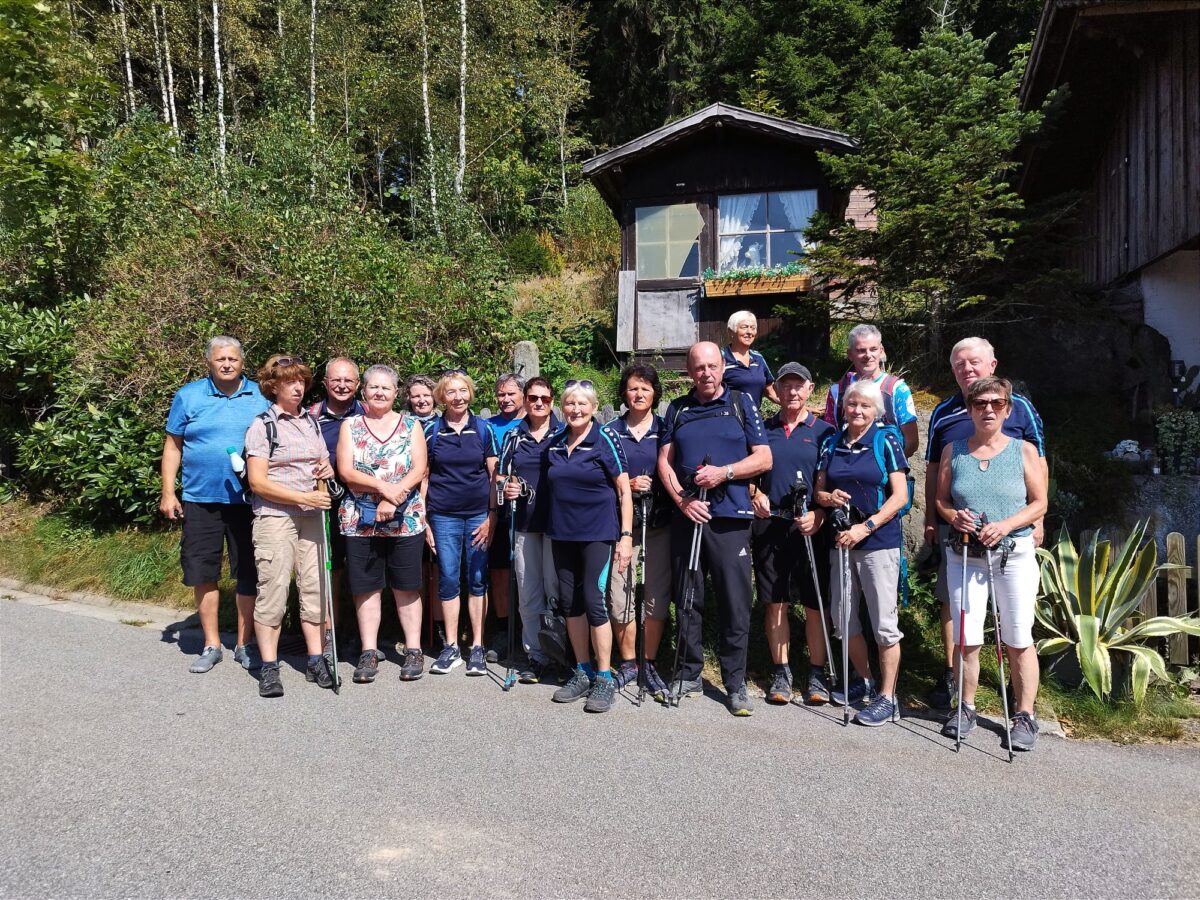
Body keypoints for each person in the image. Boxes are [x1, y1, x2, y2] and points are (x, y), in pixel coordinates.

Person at [923, 336, 1046, 709]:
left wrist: (1036, 522)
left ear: (992, 364)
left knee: (1017, 632)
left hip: (1013, 542)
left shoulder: (1020, 409)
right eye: (960, 364)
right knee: (963, 626)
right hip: (962, 541)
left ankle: (1023, 711)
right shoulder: (944, 414)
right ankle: (959, 693)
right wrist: (934, 518)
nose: (967, 369)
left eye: (974, 361)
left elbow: (1039, 468)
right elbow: (934, 475)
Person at [657, 341, 772, 716]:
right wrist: (682, 501)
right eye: (698, 367)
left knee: (735, 602)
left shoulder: (742, 404)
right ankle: (689, 672)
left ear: (723, 366)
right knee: (688, 600)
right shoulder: (678, 408)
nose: (705, 372)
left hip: (731, 519)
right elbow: (665, 462)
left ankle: (734, 682)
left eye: (711, 365)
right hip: (689, 518)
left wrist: (725, 473)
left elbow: (764, 458)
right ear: (689, 372)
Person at [161, 336, 269, 674]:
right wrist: (168, 492)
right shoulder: (188, 396)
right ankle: (211, 644)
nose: (227, 364)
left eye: (233, 359)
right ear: (209, 362)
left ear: (242, 363)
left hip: (248, 501)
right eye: (220, 359)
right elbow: (173, 445)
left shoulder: (261, 396)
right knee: (202, 572)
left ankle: (243, 643)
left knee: (249, 572)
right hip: (199, 499)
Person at [813, 379, 909, 726]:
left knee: (884, 623)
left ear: (876, 410)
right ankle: (864, 680)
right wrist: (828, 499)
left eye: (865, 406)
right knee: (843, 617)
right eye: (852, 404)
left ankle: (887, 697)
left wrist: (865, 528)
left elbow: (899, 497)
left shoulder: (886, 440)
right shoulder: (833, 442)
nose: (857, 410)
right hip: (840, 541)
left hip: (877, 544)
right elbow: (819, 490)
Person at [244, 355, 335, 698]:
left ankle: (315, 659)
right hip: (275, 517)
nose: (297, 387)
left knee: (315, 589)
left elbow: (322, 464)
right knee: (274, 589)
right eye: (288, 382)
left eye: (300, 381)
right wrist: (302, 497)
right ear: (273, 386)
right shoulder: (263, 425)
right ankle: (269, 666)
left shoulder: (311, 423)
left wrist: (326, 474)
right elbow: (258, 482)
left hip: (312, 517)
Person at [335, 365, 429, 684]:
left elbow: (419, 468)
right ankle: (369, 650)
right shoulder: (350, 426)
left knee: (407, 585)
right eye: (373, 387)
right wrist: (382, 488)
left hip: (405, 518)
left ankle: (414, 649)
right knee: (366, 587)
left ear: (395, 393)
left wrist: (394, 496)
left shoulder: (411, 424)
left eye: (386, 388)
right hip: (360, 520)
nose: (379, 393)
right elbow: (346, 471)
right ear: (364, 392)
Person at [545, 379, 633, 714]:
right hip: (562, 533)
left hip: (598, 534)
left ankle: (604, 677)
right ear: (562, 407)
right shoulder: (554, 442)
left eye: (583, 404)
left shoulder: (605, 439)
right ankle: (581, 670)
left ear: (594, 407)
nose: (576, 410)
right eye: (570, 404)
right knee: (570, 603)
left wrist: (625, 537)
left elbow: (624, 491)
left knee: (595, 602)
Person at [749, 363, 836, 704]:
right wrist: (754, 494)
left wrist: (821, 513)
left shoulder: (824, 432)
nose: (792, 392)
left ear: (810, 389)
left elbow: (835, 481)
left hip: (812, 527)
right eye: (786, 386)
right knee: (776, 602)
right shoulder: (762, 429)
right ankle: (781, 672)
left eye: (799, 386)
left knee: (815, 604)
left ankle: (816, 674)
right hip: (771, 525)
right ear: (777, 391)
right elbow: (749, 475)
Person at [424, 370, 498, 676]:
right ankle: (452, 647)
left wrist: (492, 517)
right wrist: (426, 521)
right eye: (451, 392)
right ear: (442, 397)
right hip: (443, 516)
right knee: (449, 579)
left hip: (478, 515)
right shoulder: (431, 431)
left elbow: (495, 476)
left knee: (478, 579)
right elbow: (424, 477)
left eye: (462, 391)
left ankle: (477, 647)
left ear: (470, 394)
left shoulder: (483, 430)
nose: (457, 397)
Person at [605, 364, 673, 699]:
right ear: (624, 394)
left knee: (656, 598)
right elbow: (599, 478)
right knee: (621, 596)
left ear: (655, 393)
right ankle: (629, 662)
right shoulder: (611, 431)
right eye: (633, 388)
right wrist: (627, 484)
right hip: (621, 528)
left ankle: (649, 661)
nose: (639, 394)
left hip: (659, 524)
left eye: (645, 388)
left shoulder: (666, 429)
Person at [497, 377, 561, 684]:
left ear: (552, 401)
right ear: (525, 399)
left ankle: (562, 653)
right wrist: (506, 488)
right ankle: (536, 655)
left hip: (559, 526)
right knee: (528, 592)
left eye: (544, 398)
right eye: (533, 397)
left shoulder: (563, 433)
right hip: (524, 524)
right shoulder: (513, 436)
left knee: (556, 591)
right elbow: (499, 479)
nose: (538, 403)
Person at [308, 357, 365, 650]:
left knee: (361, 570)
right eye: (336, 380)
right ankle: (330, 633)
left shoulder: (369, 413)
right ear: (326, 383)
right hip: (325, 505)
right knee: (330, 569)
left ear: (357, 385)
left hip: (362, 505)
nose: (342, 386)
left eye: (349, 381)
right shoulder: (311, 416)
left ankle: (362, 636)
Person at [823, 324, 919, 458]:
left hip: (887, 474)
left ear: (881, 351)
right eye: (861, 350)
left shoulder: (897, 389)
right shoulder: (837, 391)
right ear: (850, 354)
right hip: (845, 469)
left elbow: (912, 442)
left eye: (873, 349)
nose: (868, 355)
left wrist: (890, 469)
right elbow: (828, 436)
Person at [486, 373, 526, 661]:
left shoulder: (536, 422)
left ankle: (530, 631)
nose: (506, 399)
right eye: (501, 395)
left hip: (530, 508)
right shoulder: (489, 427)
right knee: (499, 572)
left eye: (511, 393)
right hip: (496, 507)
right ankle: (503, 630)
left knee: (529, 573)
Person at [722, 311, 779, 406]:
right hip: (729, 418)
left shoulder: (758, 358)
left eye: (753, 328)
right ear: (731, 331)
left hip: (753, 418)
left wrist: (795, 406)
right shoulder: (721, 357)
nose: (749, 332)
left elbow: (770, 391)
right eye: (744, 327)